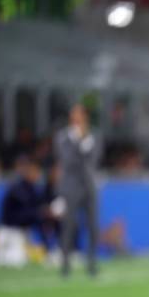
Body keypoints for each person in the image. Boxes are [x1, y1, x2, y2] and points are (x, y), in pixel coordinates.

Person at [54, 104, 102, 277]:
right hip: (71, 186)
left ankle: (91, 263)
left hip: (89, 186)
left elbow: (95, 158)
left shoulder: (94, 135)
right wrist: (80, 143)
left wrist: (83, 145)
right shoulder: (64, 137)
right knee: (68, 226)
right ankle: (65, 264)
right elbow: (67, 160)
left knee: (93, 226)